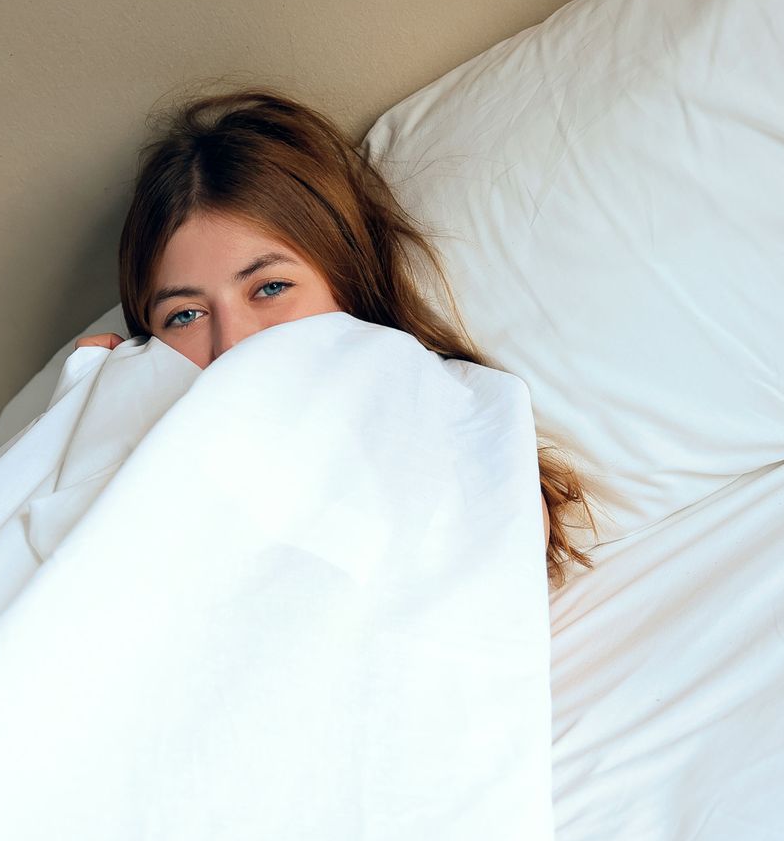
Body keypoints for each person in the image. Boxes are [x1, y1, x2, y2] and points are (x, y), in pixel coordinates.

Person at [76, 89, 597, 589]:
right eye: (186, 315)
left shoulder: (461, 431)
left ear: (345, 281)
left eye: (271, 287)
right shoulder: (140, 444)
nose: (232, 344)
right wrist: (97, 426)